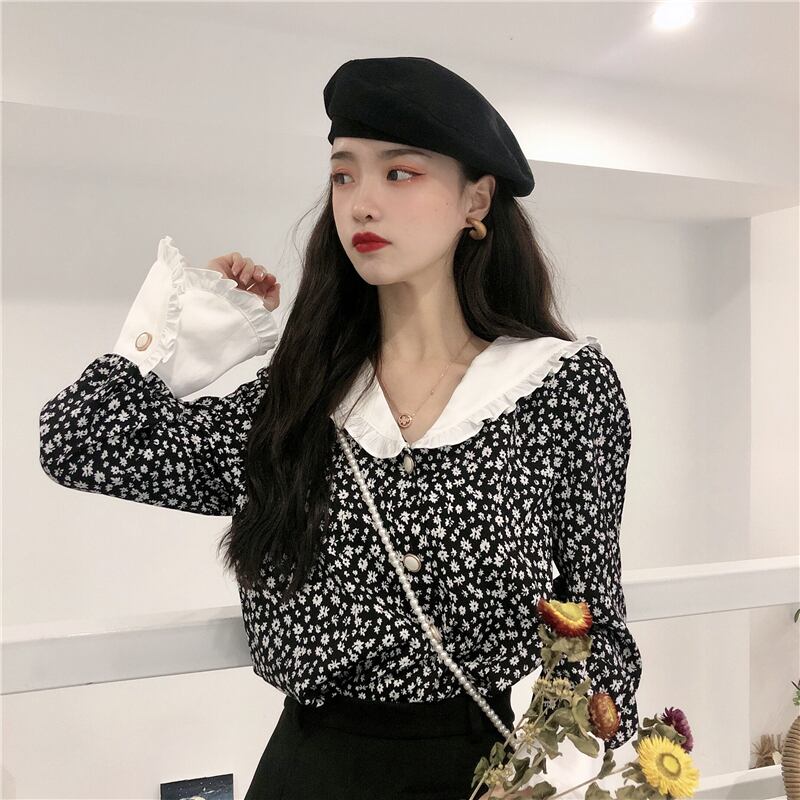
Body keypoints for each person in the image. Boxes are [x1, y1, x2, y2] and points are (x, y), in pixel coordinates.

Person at [39, 56, 642, 800]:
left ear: (476, 199)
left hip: (487, 777)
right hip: (310, 772)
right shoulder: (297, 400)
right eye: (343, 175)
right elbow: (78, 442)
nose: (361, 204)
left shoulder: (561, 388)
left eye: (400, 173)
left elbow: (595, 617)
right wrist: (186, 333)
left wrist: (570, 767)